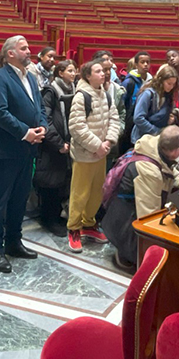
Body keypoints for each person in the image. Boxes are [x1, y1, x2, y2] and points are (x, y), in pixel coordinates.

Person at [0, 35, 46, 273]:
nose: (29, 51)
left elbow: (39, 107)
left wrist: (42, 126)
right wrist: (25, 132)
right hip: (6, 151)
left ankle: (14, 243)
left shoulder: (30, 76)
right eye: (24, 48)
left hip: (28, 150)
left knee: (20, 199)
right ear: (10, 53)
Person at [104, 126, 179, 272]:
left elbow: (169, 170)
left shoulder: (154, 144)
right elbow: (148, 216)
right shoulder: (149, 172)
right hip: (124, 224)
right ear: (177, 151)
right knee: (157, 255)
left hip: (118, 212)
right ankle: (126, 253)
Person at [65, 60, 121, 253]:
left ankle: (89, 224)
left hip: (101, 153)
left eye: (103, 71)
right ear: (87, 76)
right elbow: (76, 127)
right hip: (85, 155)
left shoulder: (105, 94)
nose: (103, 74)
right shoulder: (81, 96)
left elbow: (114, 119)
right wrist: (97, 145)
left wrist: (108, 142)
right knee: (80, 193)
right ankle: (74, 228)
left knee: (97, 191)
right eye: (98, 71)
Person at [34, 59, 77, 237]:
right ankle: (48, 219)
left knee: (62, 183)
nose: (74, 74)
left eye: (75, 71)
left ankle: (56, 215)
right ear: (60, 73)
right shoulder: (50, 91)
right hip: (53, 146)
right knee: (50, 183)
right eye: (70, 71)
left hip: (68, 144)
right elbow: (46, 120)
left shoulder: (74, 91)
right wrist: (58, 143)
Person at [132, 65, 179, 143]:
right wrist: (156, 131)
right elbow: (138, 118)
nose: (171, 87)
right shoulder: (147, 94)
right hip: (143, 139)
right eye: (169, 83)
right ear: (161, 81)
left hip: (158, 138)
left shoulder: (168, 95)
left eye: (173, 84)